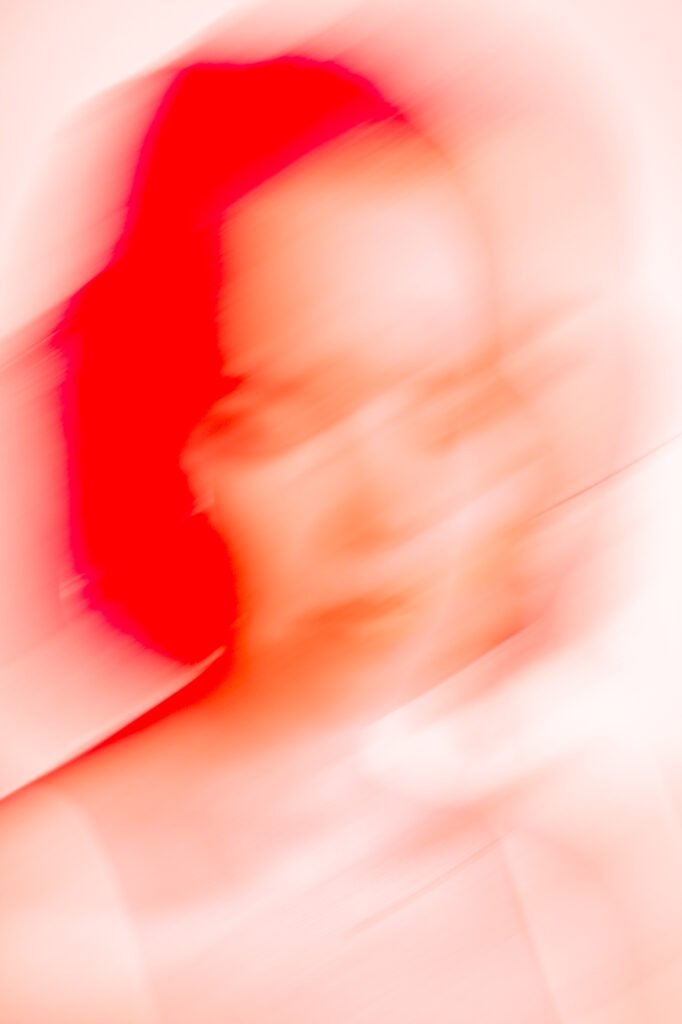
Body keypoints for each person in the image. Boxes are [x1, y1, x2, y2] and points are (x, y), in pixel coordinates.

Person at [0, 55, 604, 1023]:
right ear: (174, 443)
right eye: (291, 417)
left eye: (441, 401)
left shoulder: (560, 905)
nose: (389, 509)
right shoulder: (36, 929)